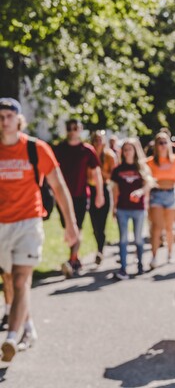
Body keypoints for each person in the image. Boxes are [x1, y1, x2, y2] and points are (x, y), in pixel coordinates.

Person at [0, 98, 79, 362]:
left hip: (29, 222)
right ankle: (28, 327)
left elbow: (59, 186)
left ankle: (10, 338)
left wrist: (71, 224)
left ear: (19, 119)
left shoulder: (36, 149)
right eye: (0, 116)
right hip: (1, 224)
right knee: (9, 280)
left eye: (9, 115)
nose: (4, 120)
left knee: (22, 279)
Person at [53, 119, 104, 278]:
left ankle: (72, 260)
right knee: (67, 227)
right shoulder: (59, 149)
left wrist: (100, 194)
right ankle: (75, 256)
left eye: (76, 127)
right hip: (62, 196)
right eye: (69, 127)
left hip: (81, 195)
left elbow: (96, 173)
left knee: (77, 227)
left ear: (81, 129)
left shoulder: (87, 150)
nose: (72, 130)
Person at [111, 138, 153, 279]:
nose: (128, 152)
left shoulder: (141, 168)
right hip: (122, 208)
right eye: (125, 149)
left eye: (130, 149)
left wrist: (140, 192)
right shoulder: (117, 170)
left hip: (138, 208)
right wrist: (114, 208)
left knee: (138, 238)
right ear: (122, 152)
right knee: (123, 239)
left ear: (135, 151)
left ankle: (140, 265)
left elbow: (148, 184)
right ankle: (123, 268)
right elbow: (115, 191)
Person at [146, 132, 175, 268]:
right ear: (156, 146)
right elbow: (146, 179)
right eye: (160, 143)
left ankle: (170, 253)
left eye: (165, 142)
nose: (162, 145)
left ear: (169, 144)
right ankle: (154, 256)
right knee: (157, 227)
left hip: (170, 193)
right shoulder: (150, 162)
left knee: (169, 227)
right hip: (156, 194)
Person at [89, 130, 117, 265]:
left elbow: (114, 175)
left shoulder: (109, 156)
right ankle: (99, 245)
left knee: (102, 222)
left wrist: (100, 175)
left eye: (100, 140)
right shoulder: (89, 155)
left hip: (104, 189)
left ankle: (100, 249)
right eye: (96, 140)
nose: (98, 143)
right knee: (94, 223)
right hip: (91, 190)